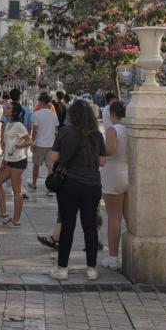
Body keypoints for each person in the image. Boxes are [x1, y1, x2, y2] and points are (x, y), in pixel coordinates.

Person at [48, 99, 107, 281]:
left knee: (68, 226)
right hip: (91, 185)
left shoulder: (64, 132)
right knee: (90, 227)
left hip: (69, 185)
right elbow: (102, 162)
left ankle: (62, 268)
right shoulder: (97, 135)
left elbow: (55, 156)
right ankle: (91, 268)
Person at [100, 100, 129, 269]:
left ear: (112, 114)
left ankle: (113, 256)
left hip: (114, 172)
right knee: (127, 215)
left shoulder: (113, 130)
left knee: (114, 217)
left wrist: (97, 148)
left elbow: (110, 150)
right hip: (127, 171)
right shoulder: (130, 129)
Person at [0, 101, 31, 227]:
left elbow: (29, 141)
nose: (5, 108)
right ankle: (3, 214)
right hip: (9, 160)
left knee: (16, 190)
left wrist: (18, 146)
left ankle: (16, 219)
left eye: (8, 107)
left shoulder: (19, 125)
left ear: (14, 111)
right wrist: (4, 159)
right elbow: (7, 144)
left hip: (18, 161)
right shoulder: (9, 124)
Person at [30, 93, 59, 195]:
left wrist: (31, 142)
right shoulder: (53, 114)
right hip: (51, 143)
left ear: (41, 102)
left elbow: (35, 130)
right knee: (50, 166)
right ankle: (51, 187)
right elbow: (56, 130)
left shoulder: (36, 114)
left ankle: (34, 183)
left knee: (36, 165)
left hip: (39, 143)